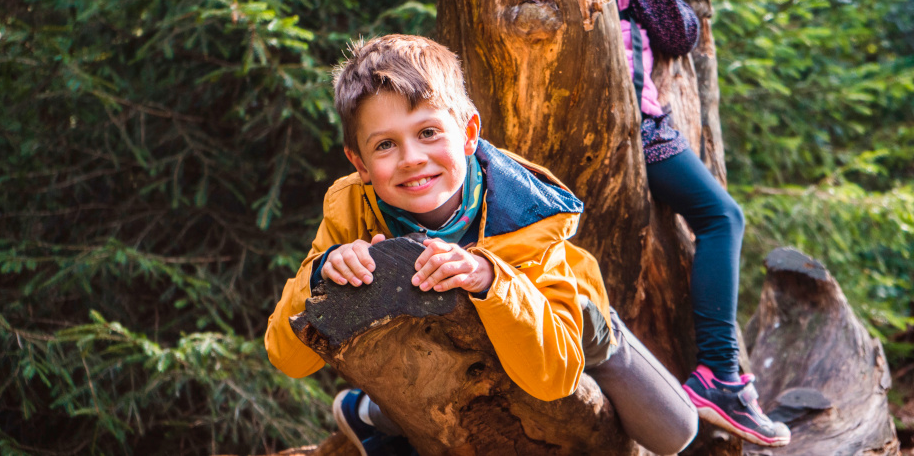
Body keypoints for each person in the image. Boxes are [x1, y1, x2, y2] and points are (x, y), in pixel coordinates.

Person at [265, 35, 698, 456]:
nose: (412, 157)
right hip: (448, 357)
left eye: (429, 132)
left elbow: (554, 377)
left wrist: (490, 276)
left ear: (469, 132)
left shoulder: (528, 213)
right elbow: (288, 357)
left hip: (567, 328)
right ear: (359, 163)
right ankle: (370, 414)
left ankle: (613, 343)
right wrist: (324, 273)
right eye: (385, 145)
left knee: (676, 433)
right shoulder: (351, 207)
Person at [571, 0, 791, 448]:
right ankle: (719, 376)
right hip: (638, 129)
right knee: (723, 215)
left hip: (601, 125)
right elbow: (680, 28)